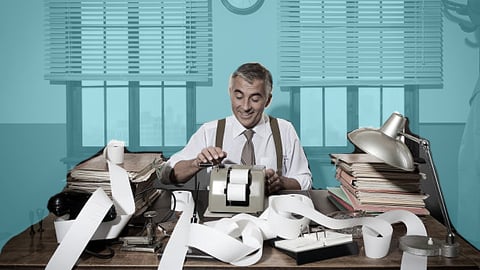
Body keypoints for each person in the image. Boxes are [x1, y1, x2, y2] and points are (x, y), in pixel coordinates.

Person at [161, 62, 312, 194]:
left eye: (255, 99)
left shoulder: (284, 130)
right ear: (230, 93)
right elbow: (168, 175)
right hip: (220, 221)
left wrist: (281, 182)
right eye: (239, 97)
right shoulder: (209, 131)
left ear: (268, 100)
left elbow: (305, 180)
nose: (245, 107)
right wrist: (196, 163)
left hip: (271, 217)